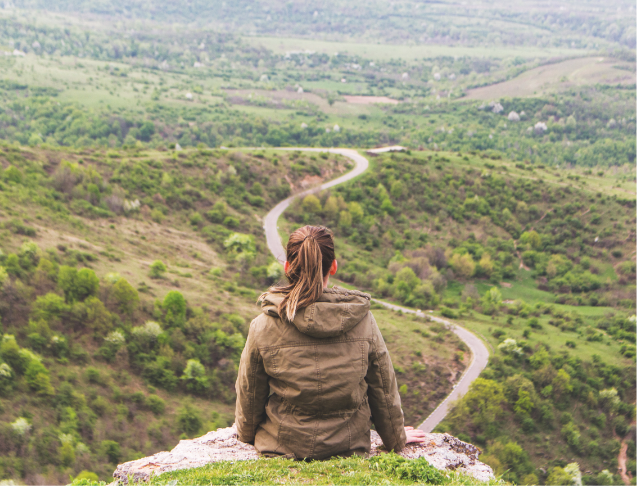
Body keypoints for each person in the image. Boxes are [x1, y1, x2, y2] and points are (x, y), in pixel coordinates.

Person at [235, 225, 426, 459]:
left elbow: (250, 392)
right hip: (348, 447)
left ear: (287, 268)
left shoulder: (263, 325)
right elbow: (383, 388)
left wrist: (245, 435)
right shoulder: (362, 320)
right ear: (333, 266)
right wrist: (396, 439)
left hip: (281, 446)